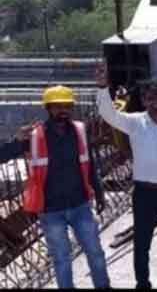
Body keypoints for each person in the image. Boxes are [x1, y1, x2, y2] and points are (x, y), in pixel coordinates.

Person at [95, 62, 157, 289]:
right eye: (150, 98)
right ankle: (142, 283)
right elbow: (108, 114)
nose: (155, 102)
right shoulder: (134, 122)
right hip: (145, 193)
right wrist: (102, 87)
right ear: (144, 100)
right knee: (142, 242)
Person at [0, 86, 110, 289]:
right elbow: (3, 155)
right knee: (61, 260)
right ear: (48, 108)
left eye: (66, 106)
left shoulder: (79, 131)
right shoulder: (34, 135)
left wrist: (99, 192)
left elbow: (89, 164)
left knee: (95, 252)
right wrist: (16, 140)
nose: (63, 111)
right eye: (57, 106)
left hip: (80, 205)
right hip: (51, 210)